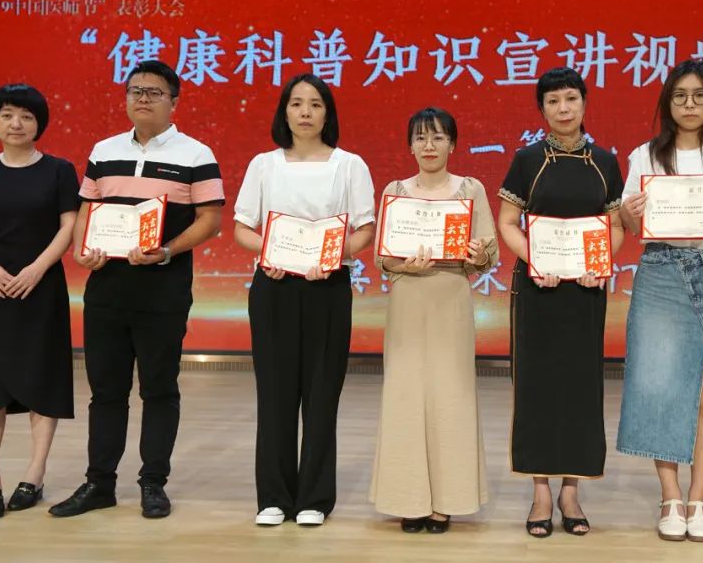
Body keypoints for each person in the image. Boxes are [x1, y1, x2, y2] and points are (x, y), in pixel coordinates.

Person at [49, 60, 224, 519]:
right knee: (106, 391)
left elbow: (210, 220)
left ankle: (153, 483)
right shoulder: (104, 150)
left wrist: (166, 250)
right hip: (106, 290)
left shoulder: (196, 154)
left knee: (159, 390)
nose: (142, 98)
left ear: (174, 102)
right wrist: (82, 249)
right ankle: (99, 483)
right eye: (135, 91)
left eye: (154, 92)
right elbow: (87, 209)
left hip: (163, 291)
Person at [616, 59, 703, 544]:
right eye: (680, 96)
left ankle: (699, 497)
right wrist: (629, 213)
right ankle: (670, 497)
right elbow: (631, 224)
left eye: (700, 95)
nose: (690, 104)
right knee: (660, 387)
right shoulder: (645, 156)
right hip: (660, 272)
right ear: (668, 103)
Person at [233, 74, 375, 527]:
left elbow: (365, 230)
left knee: (321, 393)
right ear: (285, 112)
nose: (306, 112)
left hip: (327, 287)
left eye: (315, 104)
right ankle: (273, 496)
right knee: (275, 394)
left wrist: (333, 257)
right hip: (274, 286)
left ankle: (314, 497)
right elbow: (242, 228)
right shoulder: (264, 164)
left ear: (327, 113)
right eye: (296, 103)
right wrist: (268, 253)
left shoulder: (350, 165)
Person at [497, 67, 624, 538]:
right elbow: (507, 221)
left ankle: (571, 491)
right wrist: (536, 259)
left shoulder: (604, 162)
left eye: (571, 99)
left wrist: (600, 262)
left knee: (580, 388)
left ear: (584, 104)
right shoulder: (527, 160)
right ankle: (541, 493)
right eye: (553, 101)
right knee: (536, 388)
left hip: (585, 291)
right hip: (537, 289)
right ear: (542, 109)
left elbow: (615, 227)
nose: (563, 108)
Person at [0, 84, 79, 519]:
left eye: (26, 116)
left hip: (41, 288)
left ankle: (34, 475)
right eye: (7, 115)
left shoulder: (59, 170)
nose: (16, 124)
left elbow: (68, 226)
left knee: (43, 376)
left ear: (39, 123)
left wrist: (36, 269)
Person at [369, 107, 497, 534]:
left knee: (450, 396)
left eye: (438, 137)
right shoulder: (395, 191)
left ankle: (446, 501)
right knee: (405, 395)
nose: (429, 145)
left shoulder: (470, 189)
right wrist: (403, 264)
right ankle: (409, 499)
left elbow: (488, 253)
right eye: (421, 138)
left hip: (450, 298)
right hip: (408, 298)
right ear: (410, 145)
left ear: (452, 144)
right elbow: (383, 257)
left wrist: (478, 255)